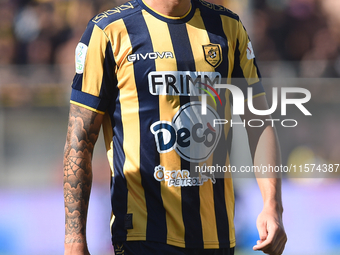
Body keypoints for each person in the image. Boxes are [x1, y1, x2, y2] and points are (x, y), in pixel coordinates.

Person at [63, 0, 287, 254]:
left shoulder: (227, 27)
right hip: (142, 235)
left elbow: (259, 122)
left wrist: (272, 204)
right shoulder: (109, 31)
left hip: (217, 236)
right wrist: (74, 238)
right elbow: (79, 139)